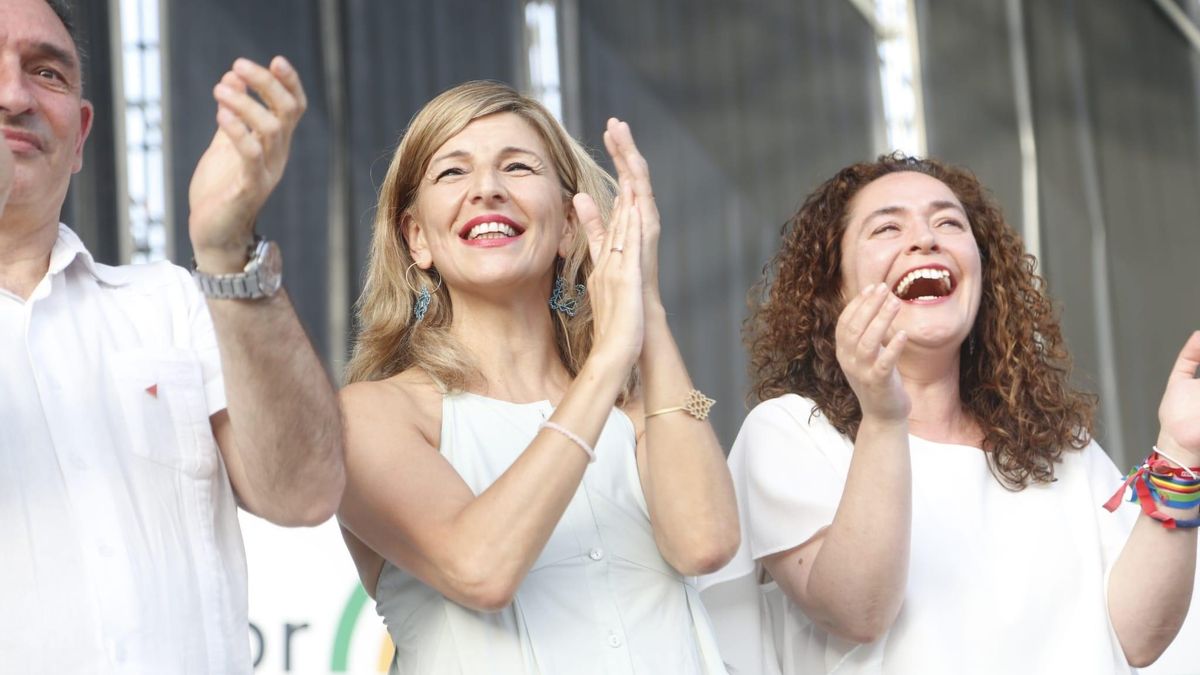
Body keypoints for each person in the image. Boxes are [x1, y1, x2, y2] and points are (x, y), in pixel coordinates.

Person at [700, 154, 1200, 674]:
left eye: (948, 222)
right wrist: (885, 417)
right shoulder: (791, 431)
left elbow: (1138, 640)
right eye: (887, 227)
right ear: (835, 290)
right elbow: (857, 612)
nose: (924, 239)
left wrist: (1181, 454)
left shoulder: (1057, 446)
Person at [337, 80, 740, 674]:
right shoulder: (370, 413)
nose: (488, 189)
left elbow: (705, 543)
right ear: (416, 238)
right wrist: (606, 363)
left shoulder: (636, 411)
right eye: (453, 173)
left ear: (570, 226)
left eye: (518, 166)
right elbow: (480, 568)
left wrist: (644, 308)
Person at [0, 0, 344, 671]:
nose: (14, 95)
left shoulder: (170, 303)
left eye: (46, 73)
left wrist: (227, 247)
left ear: (81, 136)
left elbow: (303, 490)